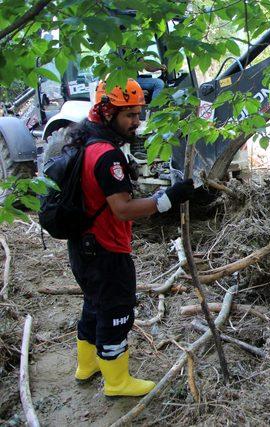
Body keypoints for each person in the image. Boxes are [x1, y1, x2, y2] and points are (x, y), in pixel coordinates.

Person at [67, 78, 194, 397]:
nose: (137, 121)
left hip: (82, 247)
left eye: (139, 113)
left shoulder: (85, 141)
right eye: (129, 115)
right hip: (105, 249)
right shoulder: (106, 156)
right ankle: (117, 381)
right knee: (115, 310)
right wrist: (168, 198)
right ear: (107, 112)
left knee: (93, 305)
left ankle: (87, 365)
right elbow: (123, 209)